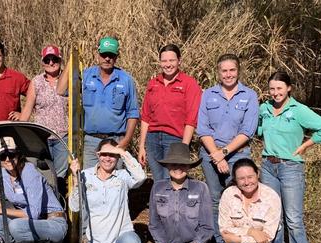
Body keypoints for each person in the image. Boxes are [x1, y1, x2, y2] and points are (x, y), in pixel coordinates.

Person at [258, 71, 321, 243]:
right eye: (272, 89)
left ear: (289, 88)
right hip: (268, 166)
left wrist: (307, 144)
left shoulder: (298, 110)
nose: (276, 93)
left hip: (290, 168)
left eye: (280, 88)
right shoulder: (265, 108)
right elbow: (260, 130)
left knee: (294, 218)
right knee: (273, 216)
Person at [69, 138, 146, 243]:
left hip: (121, 236)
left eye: (112, 155)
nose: (108, 158)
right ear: (97, 155)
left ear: (117, 158)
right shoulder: (85, 175)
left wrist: (123, 152)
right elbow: (74, 207)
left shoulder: (123, 176)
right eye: (104, 154)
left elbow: (141, 177)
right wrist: (76, 181)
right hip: (97, 242)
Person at [196, 54, 259, 243]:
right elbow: (202, 128)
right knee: (215, 199)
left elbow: (247, 130)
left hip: (238, 155)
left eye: (232, 70)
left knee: (239, 198)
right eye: (224, 70)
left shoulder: (249, 95)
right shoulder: (208, 94)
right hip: (210, 155)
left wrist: (223, 153)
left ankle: (240, 242)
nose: (228, 74)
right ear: (218, 72)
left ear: (238, 71)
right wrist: (215, 154)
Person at [0, 136, 67, 243]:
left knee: (16, 226)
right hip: (28, 223)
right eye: (2, 156)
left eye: (11, 155)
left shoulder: (30, 173)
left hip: (52, 221)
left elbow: (33, 213)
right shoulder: (1, 172)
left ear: (18, 154)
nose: (7, 159)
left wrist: (2, 211)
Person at [57, 36, 139, 169]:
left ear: (116, 57)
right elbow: (61, 90)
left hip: (115, 141)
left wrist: (125, 141)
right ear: (98, 55)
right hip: (91, 141)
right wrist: (72, 62)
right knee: (90, 182)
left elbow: (133, 113)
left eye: (111, 55)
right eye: (104, 54)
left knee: (114, 182)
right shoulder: (86, 75)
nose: (107, 59)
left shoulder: (126, 80)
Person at [148, 143, 214, 243]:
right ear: (168, 166)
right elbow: (154, 225)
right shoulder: (157, 188)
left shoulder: (200, 188)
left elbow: (207, 226)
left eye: (182, 164)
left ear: (189, 167)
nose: (178, 168)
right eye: (174, 164)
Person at [138, 44, 202, 182]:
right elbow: (145, 116)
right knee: (158, 179)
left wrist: (184, 147)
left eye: (171, 60)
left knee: (173, 179)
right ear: (160, 62)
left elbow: (191, 119)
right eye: (164, 61)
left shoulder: (189, 84)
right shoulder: (153, 84)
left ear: (179, 60)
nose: (168, 65)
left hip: (175, 140)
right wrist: (142, 146)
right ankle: (160, 203)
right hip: (153, 138)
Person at [19, 45, 69, 179]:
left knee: (60, 175)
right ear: (42, 62)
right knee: (43, 175)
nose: (51, 63)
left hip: (62, 137)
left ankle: (60, 199)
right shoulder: (36, 82)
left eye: (54, 59)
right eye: (47, 60)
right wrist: (19, 132)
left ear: (60, 60)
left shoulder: (68, 80)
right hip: (41, 137)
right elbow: (28, 109)